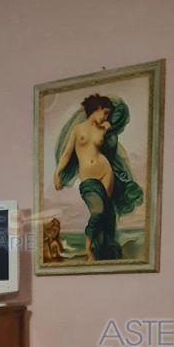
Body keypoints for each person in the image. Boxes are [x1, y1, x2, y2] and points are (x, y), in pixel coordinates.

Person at [53, 93, 144, 261]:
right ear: (97, 109)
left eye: (108, 114)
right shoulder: (78, 129)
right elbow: (66, 154)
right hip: (88, 178)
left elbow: (113, 144)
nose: (106, 117)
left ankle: (103, 251)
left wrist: (109, 129)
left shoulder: (104, 129)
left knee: (107, 215)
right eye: (105, 113)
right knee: (98, 211)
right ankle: (89, 249)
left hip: (106, 173)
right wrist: (57, 173)